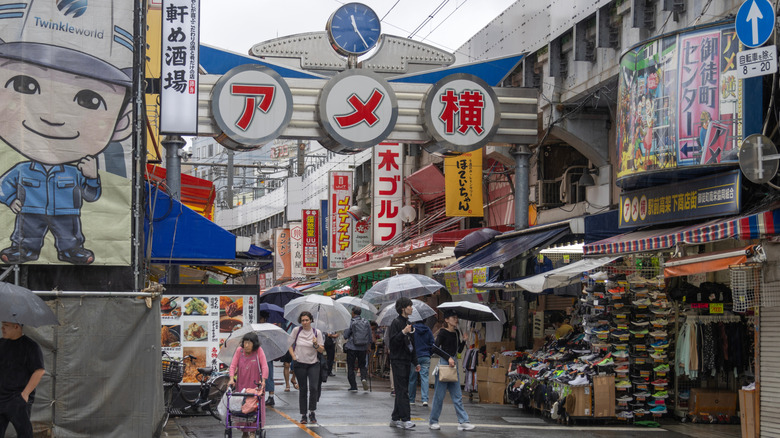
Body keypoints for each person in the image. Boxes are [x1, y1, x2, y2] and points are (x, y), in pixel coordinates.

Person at [0, 0, 134, 265]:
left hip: (66, 213)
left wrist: (93, 178)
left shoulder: (75, 171)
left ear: (122, 122)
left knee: (70, 236)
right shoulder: (22, 170)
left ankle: (71, 251)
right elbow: (2, 185)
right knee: (25, 236)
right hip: (30, 212)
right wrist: (12, 199)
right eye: (24, 84)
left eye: (90, 99)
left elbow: (91, 196)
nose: (51, 117)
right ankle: (22, 250)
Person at [429, 310, 476, 431]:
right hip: (445, 365)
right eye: (453, 317)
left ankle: (463, 421)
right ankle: (433, 421)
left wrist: (464, 341)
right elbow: (434, 348)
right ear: (446, 320)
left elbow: (458, 351)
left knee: (457, 396)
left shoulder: (455, 333)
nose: (456, 320)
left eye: (456, 317)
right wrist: (447, 357)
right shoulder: (443, 332)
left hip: (453, 365)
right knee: (439, 396)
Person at [0, 321, 45, 438]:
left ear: (16, 327)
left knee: (24, 433)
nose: (2, 328)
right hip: (1, 397)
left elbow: (39, 371)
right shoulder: (1, 343)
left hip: (17, 398)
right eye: (2, 324)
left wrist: (25, 395)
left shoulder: (31, 346)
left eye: (6, 325)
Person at [288, 311, 325, 425]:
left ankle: (312, 411)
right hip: (300, 363)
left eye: (306, 320)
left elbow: (321, 350)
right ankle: (303, 414)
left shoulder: (316, 332)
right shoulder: (296, 331)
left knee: (313, 388)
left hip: (313, 363)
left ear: (311, 320)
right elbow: (289, 344)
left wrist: (316, 344)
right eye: (303, 320)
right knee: (303, 389)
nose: (304, 322)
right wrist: (294, 356)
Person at [387, 297, 419, 429]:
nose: (411, 308)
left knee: (401, 389)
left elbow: (412, 344)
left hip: (406, 360)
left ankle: (395, 418)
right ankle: (405, 419)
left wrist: (415, 361)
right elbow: (393, 342)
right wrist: (403, 332)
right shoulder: (396, 323)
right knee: (402, 390)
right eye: (409, 306)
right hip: (398, 360)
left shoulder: (409, 323)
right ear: (402, 308)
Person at [229, 332, 268, 438]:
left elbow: (264, 366)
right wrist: (231, 379)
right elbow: (232, 365)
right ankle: (245, 431)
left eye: (249, 343)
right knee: (243, 407)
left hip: (255, 385)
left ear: (254, 344)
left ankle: (252, 431)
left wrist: (263, 381)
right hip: (242, 384)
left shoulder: (258, 351)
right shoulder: (239, 351)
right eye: (245, 343)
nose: (246, 345)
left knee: (254, 407)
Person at [342, 308, 372, 392]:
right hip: (363, 347)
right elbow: (369, 336)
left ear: (352, 313)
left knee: (351, 367)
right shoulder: (366, 322)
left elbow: (346, 335)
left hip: (352, 347)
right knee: (362, 364)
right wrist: (368, 346)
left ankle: (353, 386)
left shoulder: (351, 322)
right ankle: (363, 378)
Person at [409, 319, 434, 406]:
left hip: (414, 357)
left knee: (412, 378)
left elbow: (409, 343)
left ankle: (411, 399)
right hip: (425, 356)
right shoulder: (428, 330)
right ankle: (425, 400)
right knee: (425, 378)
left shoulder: (412, 329)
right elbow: (432, 343)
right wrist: (429, 354)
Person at [257, 311, 276, 406]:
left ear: (265, 319)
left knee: (268, 375)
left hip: (268, 355)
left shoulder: (269, 328)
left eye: (261, 318)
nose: (259, 320)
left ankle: (271, 396)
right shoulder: (257, 328)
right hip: (260, 354)